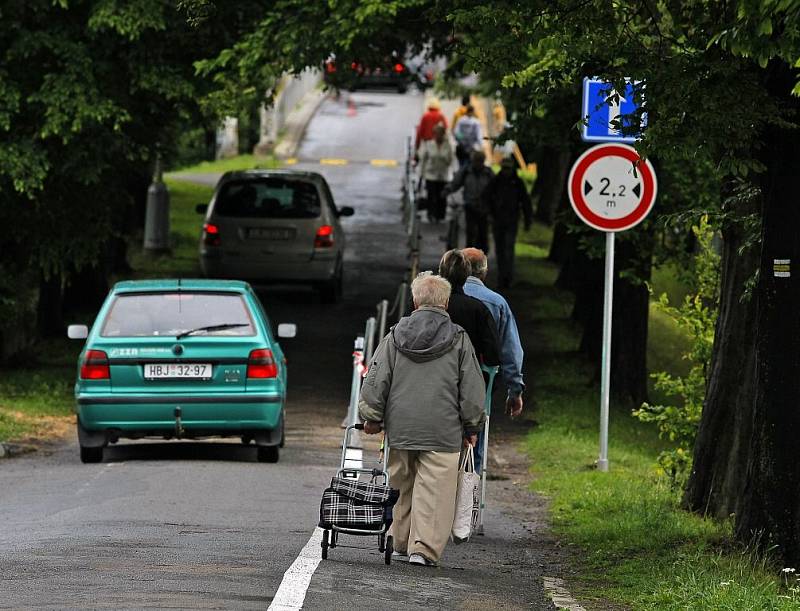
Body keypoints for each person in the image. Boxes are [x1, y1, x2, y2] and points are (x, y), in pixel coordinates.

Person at [359, 272, 486, 567]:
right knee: (436, 490)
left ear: (415, 301)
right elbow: (471, 388)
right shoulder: (459, 338)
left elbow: (377, 378)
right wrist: (472, 425)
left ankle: (400, 541)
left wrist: (372, 417)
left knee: (403, 485)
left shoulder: (394, 335)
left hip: (401, 427)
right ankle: (423, 549)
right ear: (445, 303)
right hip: (443, 430)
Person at [462, 248, 526, 472]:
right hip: (481, 384)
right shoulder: (497, 303)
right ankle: (470, 499)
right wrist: (514, 390)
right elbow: (511, 350)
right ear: (484, 273)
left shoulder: (443, 296)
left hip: (441, 384)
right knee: (475, 445)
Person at [438, 249, 500, 367]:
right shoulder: (478, 309)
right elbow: (492, 355)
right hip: (465, 376)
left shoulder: (422, 303)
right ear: (466, 274)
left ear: (440, 273)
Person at [483, 157, 533, 288]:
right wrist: (489, 213)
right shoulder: (496, 181)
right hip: (498, 220)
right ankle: (502, 276)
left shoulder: (517, 183)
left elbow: (525, 202)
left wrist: (528, 220)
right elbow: (485, 197)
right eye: (504, 168)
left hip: (512, 220)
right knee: (500, 250)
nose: (506, 171)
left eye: (508, 168)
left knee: (508, 249)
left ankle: (508, 277)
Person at [443, 150, 494, 255]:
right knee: (470, 234)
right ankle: (470, 258)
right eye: (476, 161)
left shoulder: (488, 173)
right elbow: (456, 183)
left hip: (484, 208)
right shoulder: (466, 172)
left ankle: (483, 257)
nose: (478, 163)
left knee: (483, 235)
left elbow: (496, 188)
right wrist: (447, 190)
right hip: (470, 207)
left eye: (480, 161)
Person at [419, 123, 453, 222]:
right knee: (431, 195)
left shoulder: (448, 146)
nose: (438, 136)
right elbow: (423, 160)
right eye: (436, 134)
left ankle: (440, 215)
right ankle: (431, 214)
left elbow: (450, 160)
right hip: (430, 174)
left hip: (443, 175)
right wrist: (421, 173)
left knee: (441, 196)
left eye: (440, 134)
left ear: (443, 134)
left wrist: (444, 157)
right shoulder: (429, 144)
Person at [453, 105, 482, 169]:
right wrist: (480, 146)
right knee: (471, 166)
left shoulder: (460, 120)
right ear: (473, 112)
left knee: (461, 165)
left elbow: (456, 133)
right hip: (472, 148)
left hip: (461, 148)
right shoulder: (476, 122)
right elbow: (478, 135)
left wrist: (462, 140)